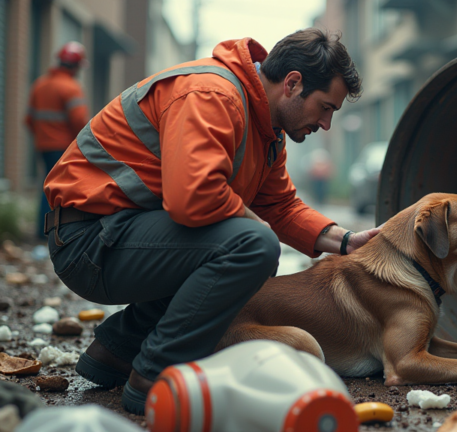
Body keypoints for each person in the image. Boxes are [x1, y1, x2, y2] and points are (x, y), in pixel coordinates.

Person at [43, 29, 378, 414]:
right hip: (88, 240)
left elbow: (281, 206)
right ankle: (154, 375)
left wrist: (347, 240)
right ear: (293, 83)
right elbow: (193, 198)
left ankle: (118, 349)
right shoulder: (211, 94)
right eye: (325, 108)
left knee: (247, 241)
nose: (326, 124)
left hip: (120, 235)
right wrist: (257, 230)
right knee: (251, 245)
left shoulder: (267, 129)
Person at [25, 42, 88, 240]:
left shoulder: (40, 85)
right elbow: (80, 123)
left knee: (46, 186)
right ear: (76, 66)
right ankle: (52, 232)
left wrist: (43, 135)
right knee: (59, 190)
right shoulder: (71, 88)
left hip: (43, 146)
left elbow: (28, 119)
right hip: (63, 147)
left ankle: (41, 231)